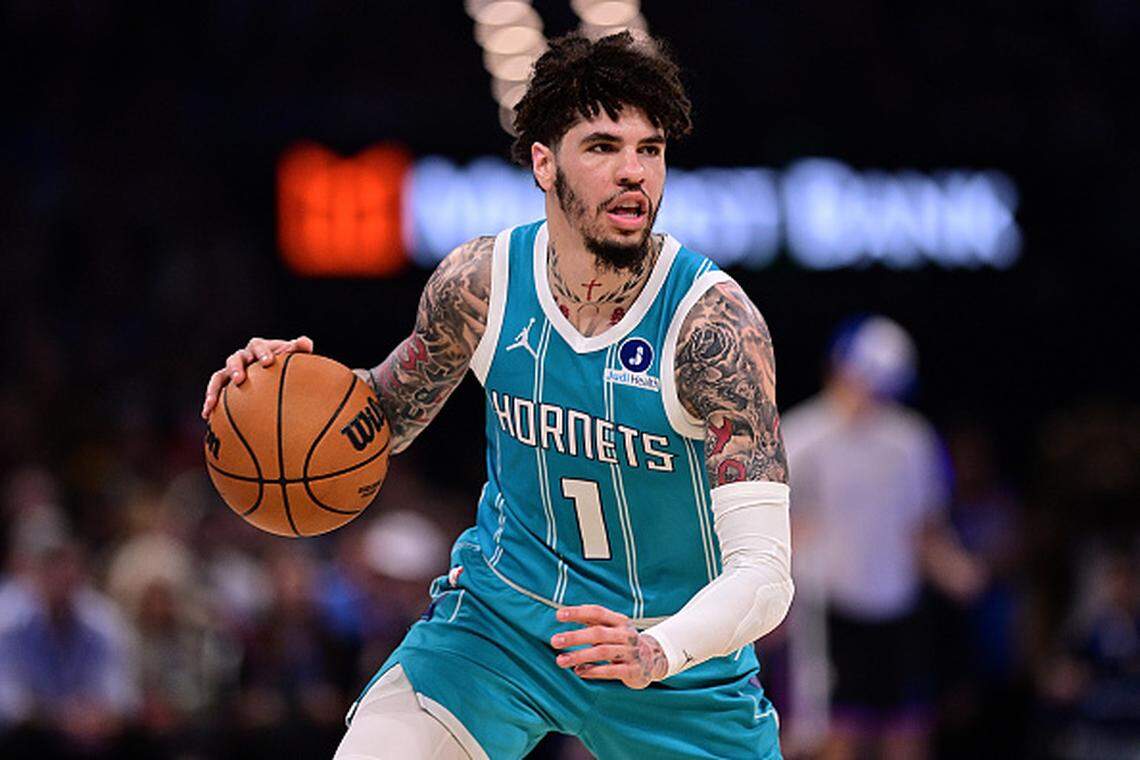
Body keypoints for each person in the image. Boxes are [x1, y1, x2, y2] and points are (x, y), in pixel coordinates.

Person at [202, 32, 794, 759]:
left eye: (651, 149)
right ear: (544, 162)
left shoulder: (712, 330)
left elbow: (765, 575)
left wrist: (660, 648)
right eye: (603, 147)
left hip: (669, 656)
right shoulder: (479, 286)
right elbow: (376, 420)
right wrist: (278, 394)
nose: (634, 172)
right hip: (500, 626)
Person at [781, 316, 985, 760]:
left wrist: (956, 570)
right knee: (834, 738)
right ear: (840, 369)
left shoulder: (912, 442)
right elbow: (774, 528)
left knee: (907, 733)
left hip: (898, 609)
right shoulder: (800, 437)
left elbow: (925, 529)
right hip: (827, 611)